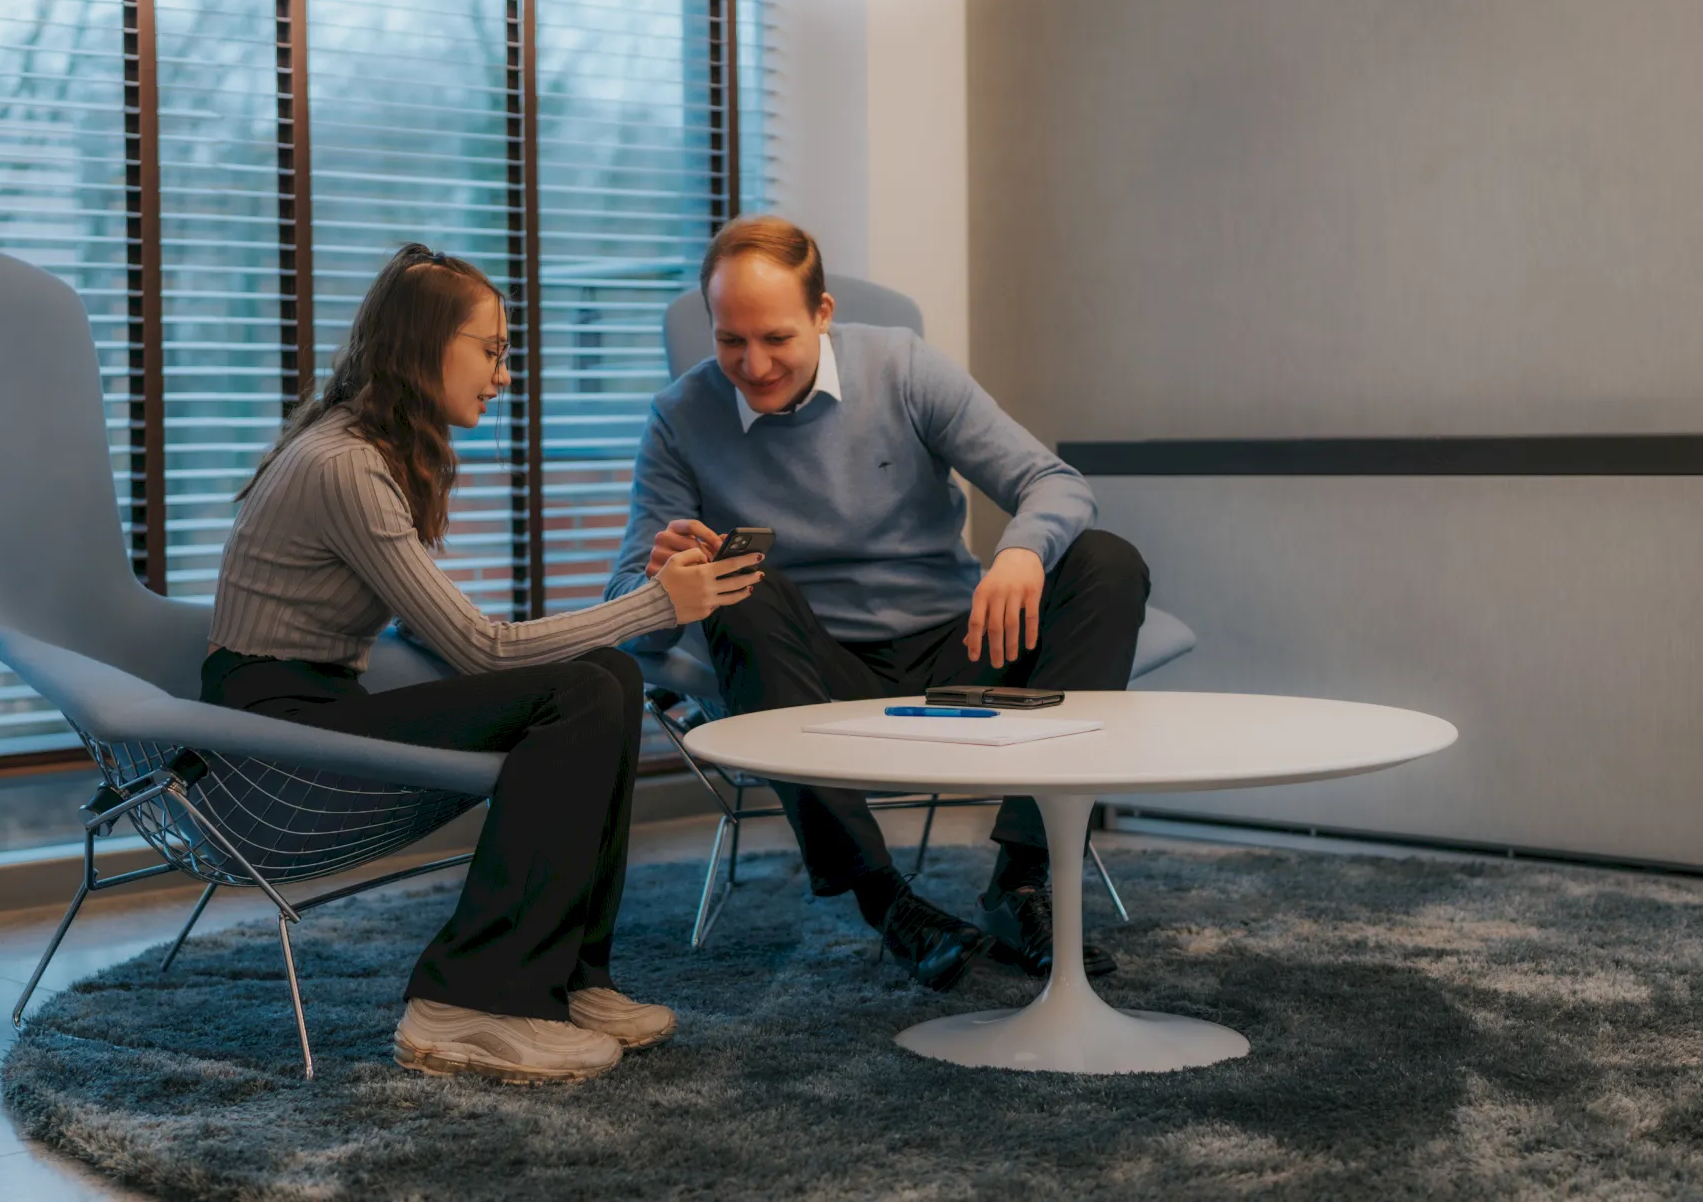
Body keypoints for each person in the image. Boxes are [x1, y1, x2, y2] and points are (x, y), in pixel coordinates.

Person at [203, 243, 762, 1083]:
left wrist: (631, 610)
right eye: (491, 350)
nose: (502, 375)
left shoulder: (378, 447)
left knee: (608, 677)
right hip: (273, 733)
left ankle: (573, 976)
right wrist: (656, 605)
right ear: (422, 344)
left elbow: (451, 633)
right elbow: (476, 647)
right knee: (583, 689)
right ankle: (468, 997)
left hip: (317, 697)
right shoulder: (347, 465)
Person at [606, 216, 1149, 992]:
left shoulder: (902, 368)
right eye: (730, 341)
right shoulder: (680, 418)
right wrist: (664, 585)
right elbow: (623, 601)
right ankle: (887, 902)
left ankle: (1022, 883)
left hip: (962, 645)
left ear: (823, 314)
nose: (752, 365)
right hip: (816, 675)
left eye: (776, 338)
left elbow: (1054, 483)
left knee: (1106, 561)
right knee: (735, 576)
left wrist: (1022, 551)